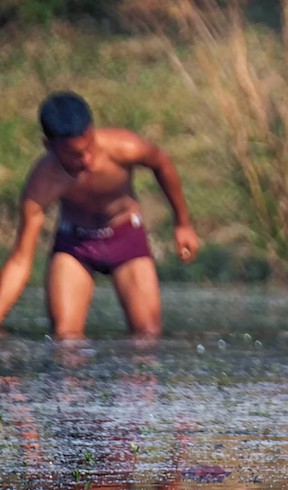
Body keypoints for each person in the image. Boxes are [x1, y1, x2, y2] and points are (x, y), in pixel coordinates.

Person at [0, 90, 200, 339]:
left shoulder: (124, 147)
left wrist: (183, 223)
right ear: (49, 146)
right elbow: (20, 261)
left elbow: (162, 163)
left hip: (126, 238)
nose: (87, 161)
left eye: (89, 146)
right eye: (73, 154)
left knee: (148, 337)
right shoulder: (42, 184)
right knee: (65, 339)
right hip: (75, 245)